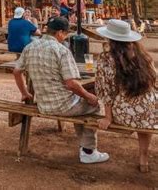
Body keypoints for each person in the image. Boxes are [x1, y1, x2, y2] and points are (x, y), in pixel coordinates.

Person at [13, 17, 109, 164]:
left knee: (83, 101)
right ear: (59, 33)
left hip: (43, 105)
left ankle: (86, 149)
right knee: (92, 105)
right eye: (65, 34)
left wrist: (25, 93)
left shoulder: (29, 47)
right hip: (63, 106)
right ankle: (88, 151)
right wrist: (89, 96)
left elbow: (16, 72)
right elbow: (71, 83)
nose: (65, 37)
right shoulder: (61, 50)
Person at [95, 19, 157, 173]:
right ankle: (143, 157)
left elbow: (106, 90)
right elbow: (154, 79)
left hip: (125, 112)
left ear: (110, 38)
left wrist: (108, 117)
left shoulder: (106, 58)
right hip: (150, 111)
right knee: (145, 118)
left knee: (134, 110)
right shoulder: (143, 55)